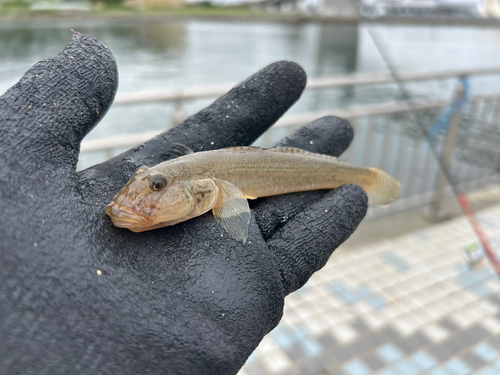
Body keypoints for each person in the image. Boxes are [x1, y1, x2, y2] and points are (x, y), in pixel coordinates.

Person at [0, 33, 367, 374]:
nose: (138, 198)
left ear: (205, 190)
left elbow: (231, 210)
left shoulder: (210, 188)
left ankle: (366, 180)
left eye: (156, 186)